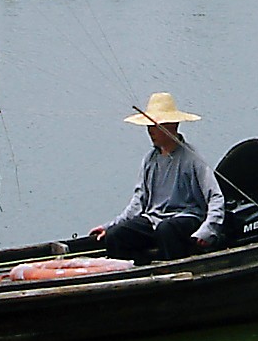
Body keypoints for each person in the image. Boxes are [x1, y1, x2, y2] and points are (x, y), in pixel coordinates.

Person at [92, 93, 226, 263]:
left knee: (167, 230)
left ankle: (174, 273)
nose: (150, 132)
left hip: (185, 217)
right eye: (149, 127)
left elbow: (215, 197)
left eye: (155, 126)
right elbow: (138, 201)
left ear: (172, 126)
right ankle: (135, 275)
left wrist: (208, 230)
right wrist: (109, 226)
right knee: (116, 236)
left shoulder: (192, 159)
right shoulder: (150, 160)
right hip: (153, 219)